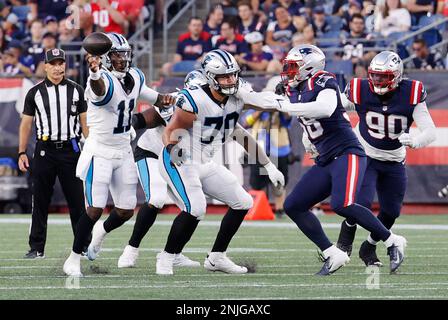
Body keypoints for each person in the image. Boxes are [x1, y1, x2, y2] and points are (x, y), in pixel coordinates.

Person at [237, 44, 408, 275]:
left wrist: (287, 105)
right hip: (326, 157)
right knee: (293, 205)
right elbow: (266, 99)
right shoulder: (290, 88)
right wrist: (238, 91)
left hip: (347, 152)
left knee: (342, 204)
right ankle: (332, 253)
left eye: (293, 66)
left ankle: (393, 240)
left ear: (309, 67)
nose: (288, 71)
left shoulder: (323, 81)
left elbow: (325, 108)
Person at [155, 49, 285, 275]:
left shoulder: (235, 98)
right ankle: (167, 257)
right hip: (179, 158)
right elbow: (170, 132)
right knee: (195, 208)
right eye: (224, 77)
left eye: (233, 75)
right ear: (209, 77)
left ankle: (217, 257)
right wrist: (177, 157)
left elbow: (241, 134)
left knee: (243, 202)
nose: (230, 81)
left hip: (205, 162)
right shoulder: (195, 98)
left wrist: (268, 165)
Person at [62, 32, 175, 277]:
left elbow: (151, 96)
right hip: (100, 150)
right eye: (116, 55)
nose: (123, 59)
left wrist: (166, 100)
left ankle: (100, 233)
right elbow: (99, 89)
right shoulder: (101, 80)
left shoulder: (134, 76)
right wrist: (93, 73)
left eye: (125, 54)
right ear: (105, 58)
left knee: (125, 210)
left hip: (124, 149)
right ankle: (73, 258)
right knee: (94, 209)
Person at [336, 51, 436, 266]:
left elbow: (430, 131)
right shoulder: (360, 89)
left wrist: (415, 141)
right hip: (366, 154)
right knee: (360, 203)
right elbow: (333, 106)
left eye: (384, 77)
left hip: (394, 158)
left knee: (391, 211)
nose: (378, 81)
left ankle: (369, 247)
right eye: (375, 75)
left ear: (398, 76)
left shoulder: (412, 93)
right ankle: (345, 239)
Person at [117, 70, 209, 269]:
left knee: (194, 208)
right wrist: (122, 127)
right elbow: (140, 120)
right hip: (152, 153)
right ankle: (131, 249)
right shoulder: (175, 102)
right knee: (157, 199)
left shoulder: (214, 109)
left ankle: (175, 253)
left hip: (176, 159)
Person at [18, 48, 89, 259]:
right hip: (45, 151)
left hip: (71, 149)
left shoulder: (78, 90)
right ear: (46, 66)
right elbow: (26, 125)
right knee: (40, 200)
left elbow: (85, 124)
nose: (58, 67)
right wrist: (22, 152)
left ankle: (83, 246)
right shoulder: (35, 92)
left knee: (77, 201)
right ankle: (36, 247)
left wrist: (92, 149)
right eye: (54, 63)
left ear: (65, 65)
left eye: (61, 63)